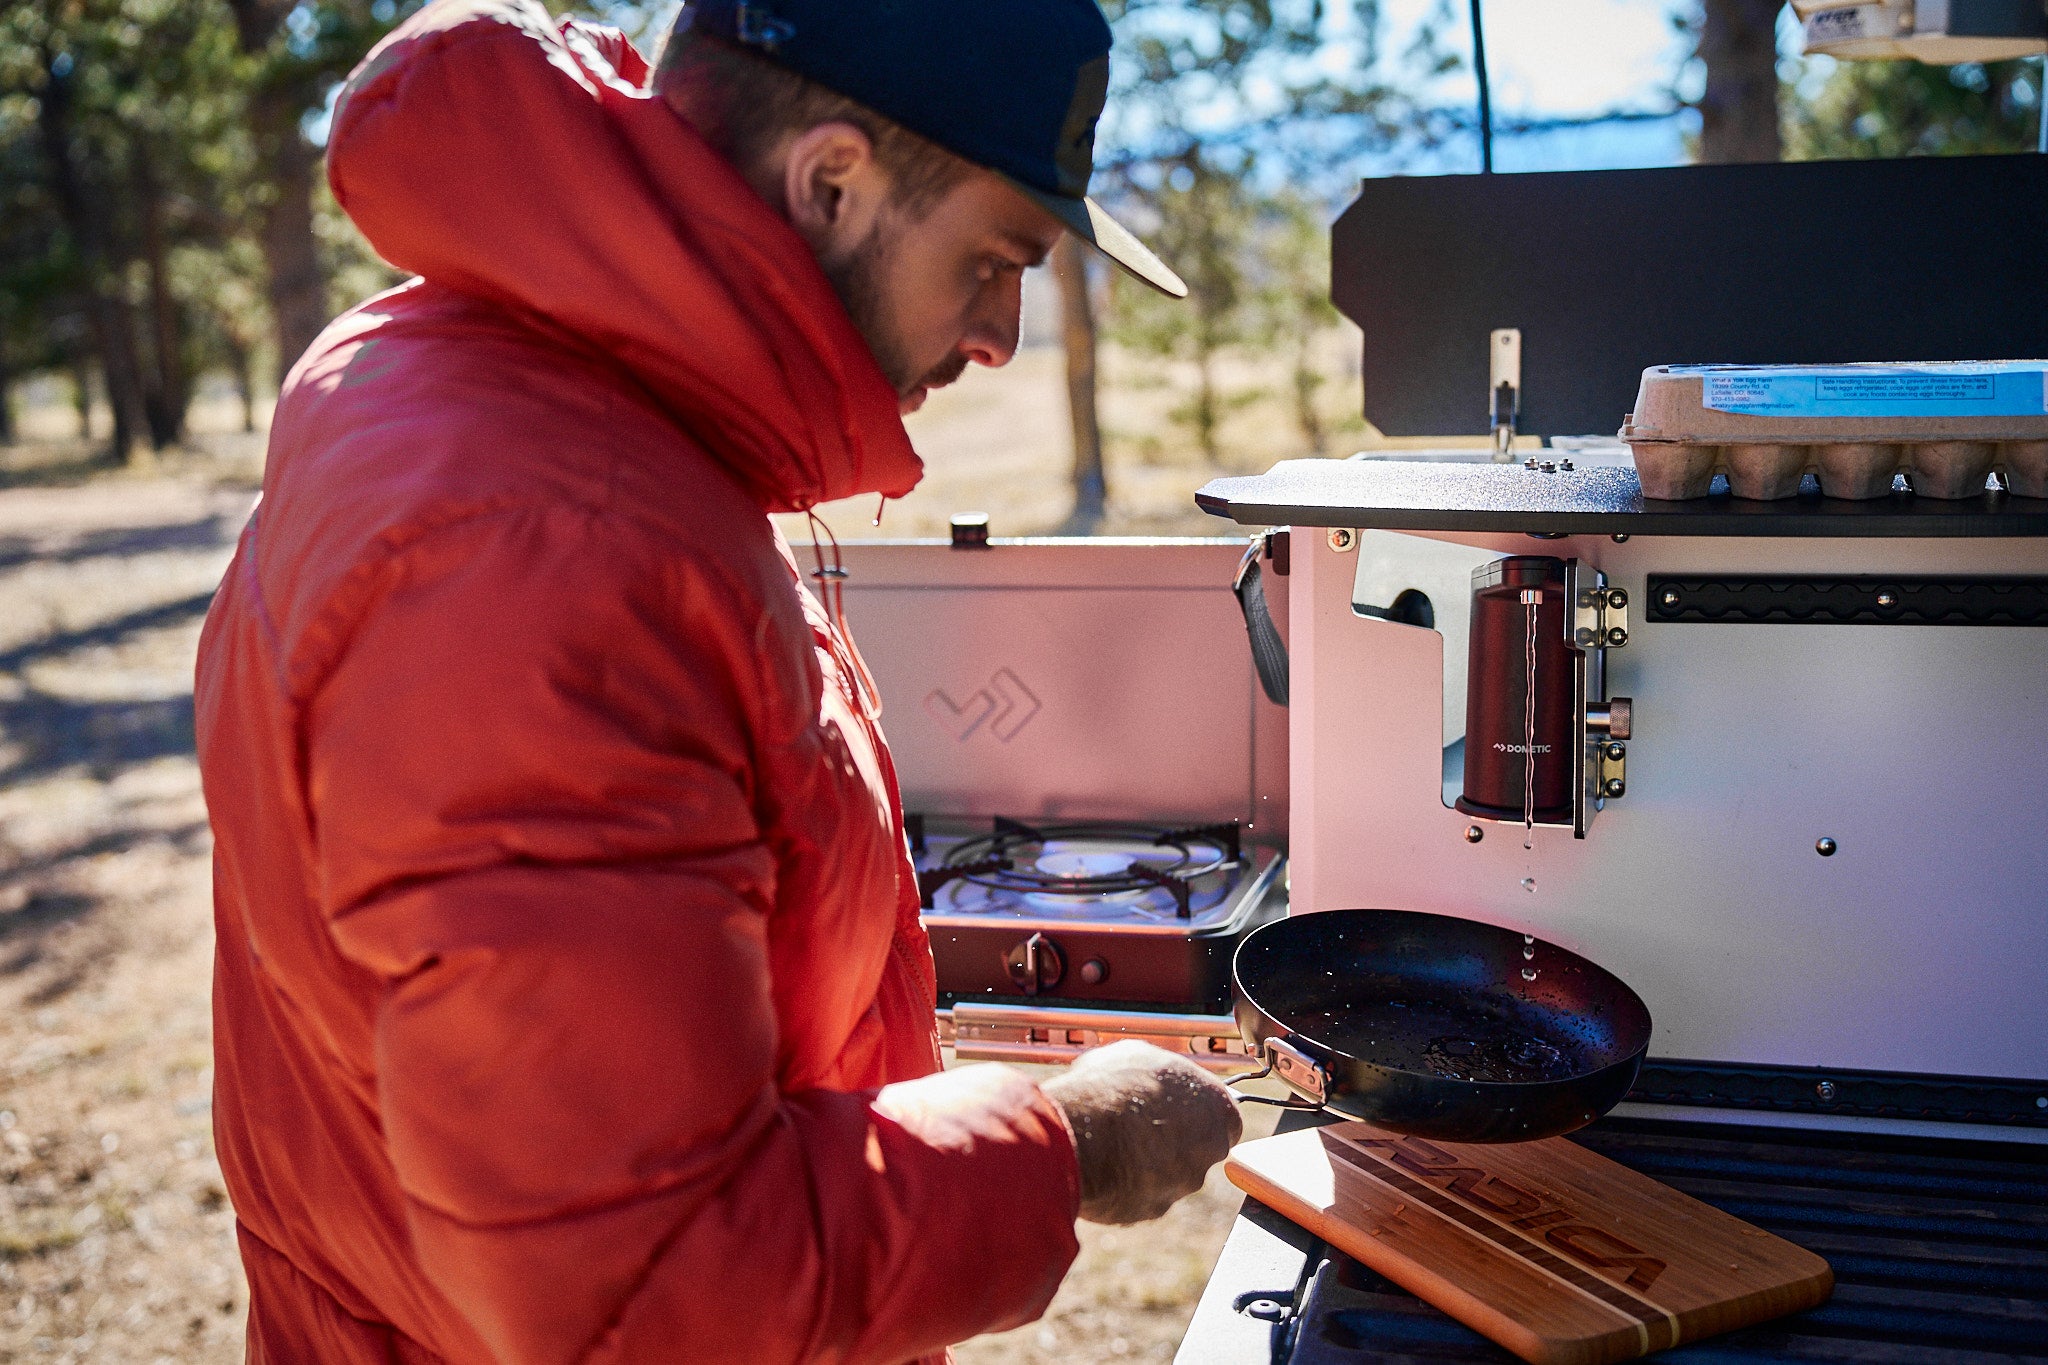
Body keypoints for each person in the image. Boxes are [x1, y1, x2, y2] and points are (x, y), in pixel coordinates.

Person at [194, 0, 1242, 1361]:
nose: (1002, 332)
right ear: (831, 182)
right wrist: (1072, 1144)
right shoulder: (544, 547)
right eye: (994, 259)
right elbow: (647, 1288)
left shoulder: (526, 385)